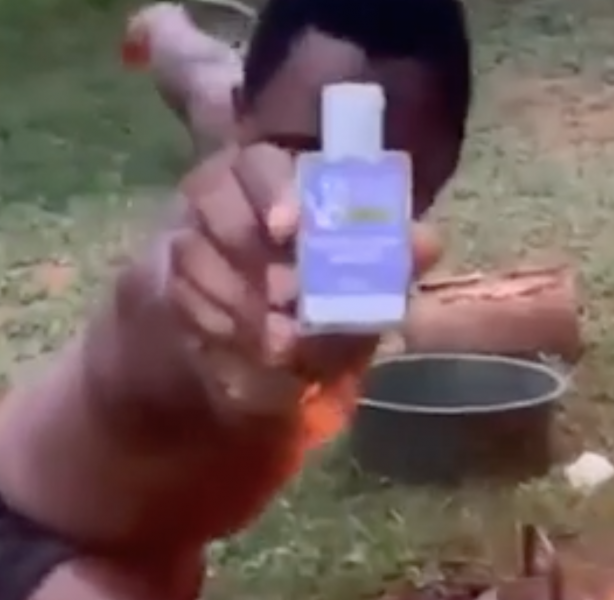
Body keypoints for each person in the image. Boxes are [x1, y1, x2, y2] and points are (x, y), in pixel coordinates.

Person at [0, 0, 472, 596]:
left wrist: (160, 28)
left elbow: (198, 71)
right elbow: (176, 301)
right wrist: (251, 342)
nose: (320, 192)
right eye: (299, 148)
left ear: (441, 165)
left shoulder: (234, 109)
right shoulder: (193, 271)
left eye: (369, 167)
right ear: (244, 117)